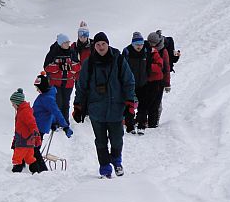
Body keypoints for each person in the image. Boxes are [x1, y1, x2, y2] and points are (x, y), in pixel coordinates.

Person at [72, 31, 135, 178]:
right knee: (100, 141)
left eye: (103, 44)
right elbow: (81, 86)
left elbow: (129, 82)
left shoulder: (118, 60)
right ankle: (105, 167)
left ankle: (117, 161)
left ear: (108, 44)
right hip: (96, 109)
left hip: (116, 108)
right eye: (98, 45)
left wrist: (130, 103)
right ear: (94, 46)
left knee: (117, 138)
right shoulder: (89, 63)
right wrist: (78, 105)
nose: (101, 47)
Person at [136, 31, 170, 129]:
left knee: (155, 104)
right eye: (149, 42)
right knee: (145, 102)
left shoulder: (163, 51)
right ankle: (143, 121)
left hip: (159, 81)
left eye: (153, 43)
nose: (151, 44)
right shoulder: (147, 48)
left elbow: (165, 68)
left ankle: (153, 124)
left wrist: (167, 84)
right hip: (146, 80)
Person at [43, 33, 81, 122]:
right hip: (55, 83)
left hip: (68, 83)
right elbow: (46, 67)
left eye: (68, 42)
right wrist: (58, 67)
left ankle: (65, 121)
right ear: (60, 43)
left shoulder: (72, 52)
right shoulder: (53, 53)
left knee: (66, 103)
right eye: (65, 43)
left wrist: (70, 67)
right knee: (58, 103)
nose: (68, 44)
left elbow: (78, 66)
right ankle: (56, 122)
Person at [122, 31, 151, 134]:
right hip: (130, 83)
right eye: (137, 44)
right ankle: (129, 125)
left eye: (141, 44)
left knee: (143, 105)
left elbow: (148, 66)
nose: (139, 46)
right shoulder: (127, 51)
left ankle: (141, 124)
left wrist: (147, 78)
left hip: (143, 83)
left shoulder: (146, 52)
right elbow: (122, 68)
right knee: (129, 105)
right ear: (133, 44)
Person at [10, 88, 42, 173]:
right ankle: (37, 173)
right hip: (27, 140)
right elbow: (19, 128)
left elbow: (33, 125)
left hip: (23, 140)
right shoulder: (22, 111)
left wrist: (37, 137)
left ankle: (15, 175)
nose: (12, 105)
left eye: (13, 103)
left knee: (17, 159)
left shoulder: (24, 112)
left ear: (17, 103)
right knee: (29, 158)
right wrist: (14, 140)